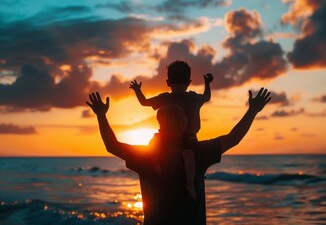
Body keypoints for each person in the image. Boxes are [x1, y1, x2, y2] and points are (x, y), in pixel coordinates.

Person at [86, 88, 271, 225]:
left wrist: (101, 115)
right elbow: (233, 138)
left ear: (160, 125)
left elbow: (112, 146)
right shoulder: (198, 153)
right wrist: (252, 110)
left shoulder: (146, 155)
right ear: (183, 124)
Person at [129, 60, 213, 199]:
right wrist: (207, 84)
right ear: (189, 82)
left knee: (156, 145)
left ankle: (159, 166)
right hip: (186, 137)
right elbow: (207, 97)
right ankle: (190, 183)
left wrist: (137, 90)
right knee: (189, 155)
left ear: (168, 82)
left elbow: (144, 102)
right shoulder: (193, 98)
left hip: (179, 137)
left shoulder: (165, 98)